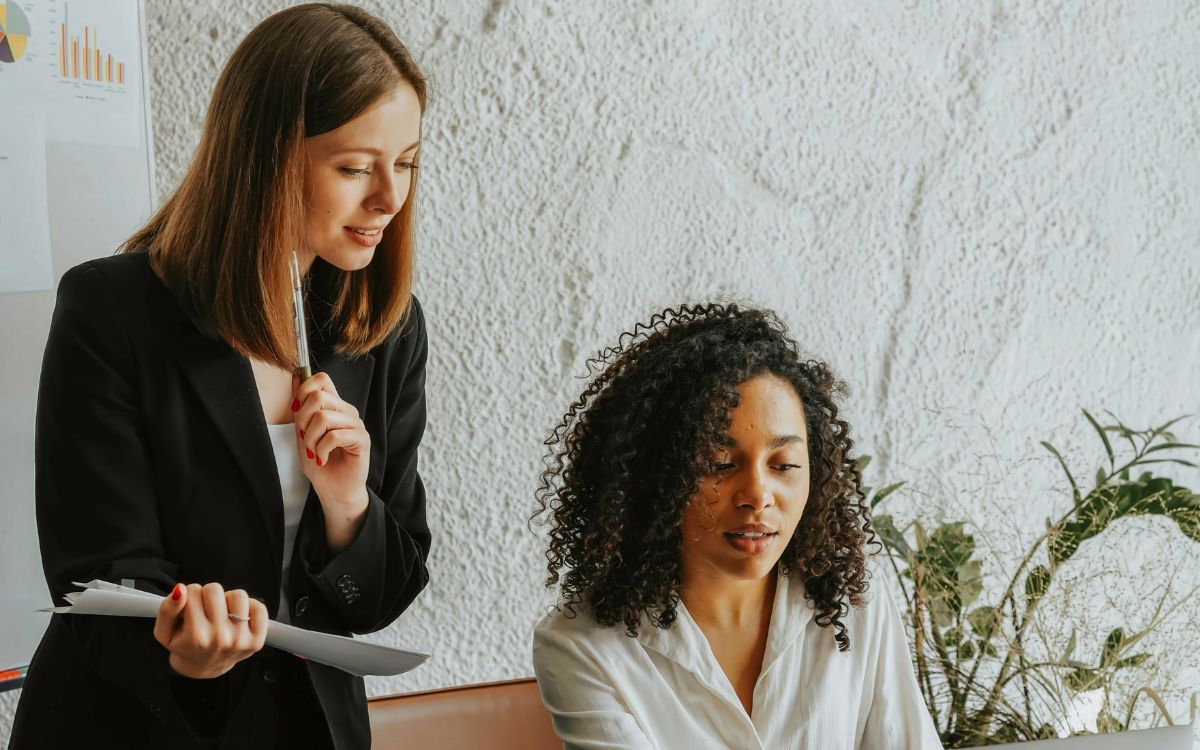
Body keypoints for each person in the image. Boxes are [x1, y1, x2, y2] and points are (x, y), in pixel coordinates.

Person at [12, 5, 431, 748]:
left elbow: (379, 597)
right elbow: (98, 577)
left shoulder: (386, 328)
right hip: (131, 727)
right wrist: (182, 655)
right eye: (354, 167)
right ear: (265, 158)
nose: (389, 199)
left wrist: (347, 507)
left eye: (405, 163)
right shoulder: (112, 311)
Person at [530, 304, 943, 749]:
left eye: (784, 465)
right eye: (720, 464)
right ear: (657, 477)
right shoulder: (581, 645)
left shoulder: (855, 599)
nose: (758, 496)